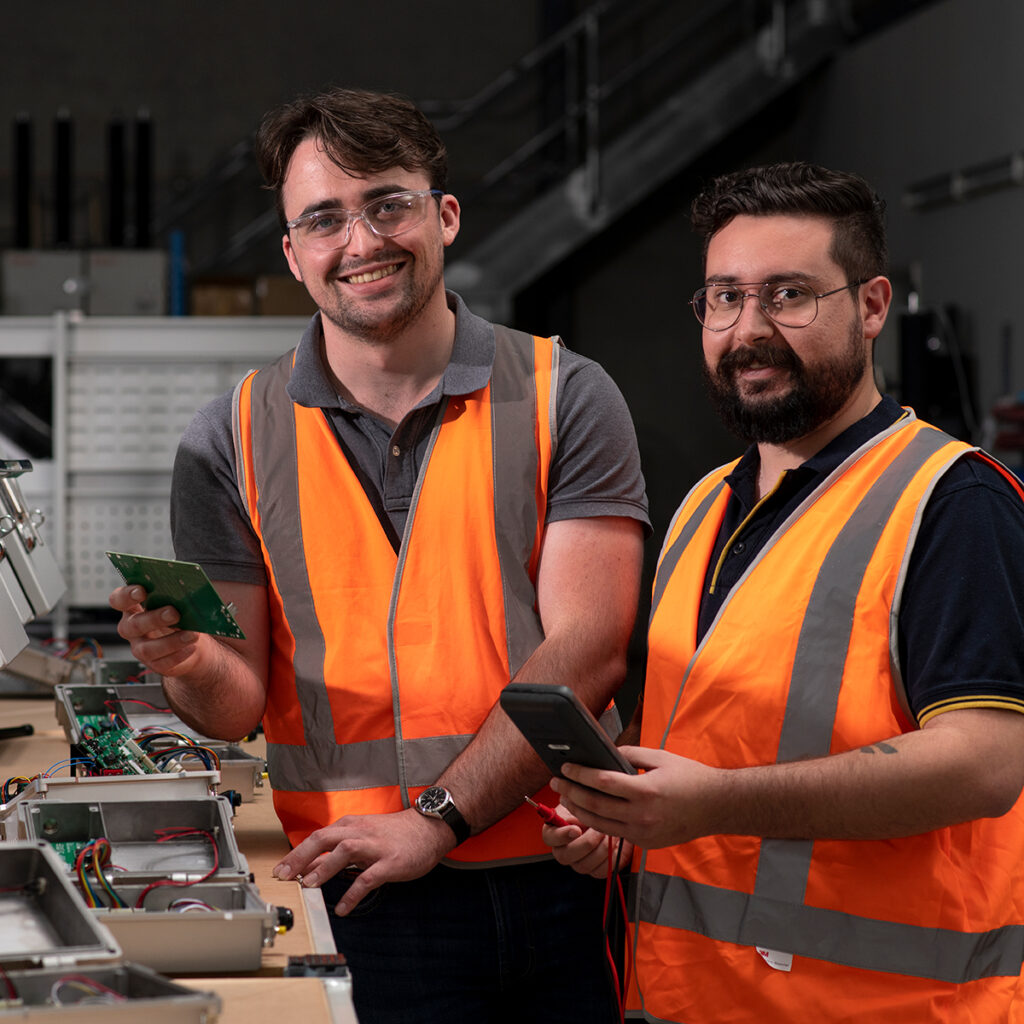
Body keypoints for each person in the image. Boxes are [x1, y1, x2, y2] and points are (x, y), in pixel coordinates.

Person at [109, 87, 649, 1022]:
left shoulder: (567, 395)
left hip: (556, 880)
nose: (359, 241)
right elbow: (235, 703)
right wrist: (190, 664)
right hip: (355, 892)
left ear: (443, 215)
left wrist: (436, 820)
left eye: (387, 203)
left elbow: (591, 646)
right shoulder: (229, 438)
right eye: (323, 219)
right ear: (292, 254)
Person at [544, 161, 1024, 1022]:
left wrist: (711, 806)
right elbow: (707, 736)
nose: (747, 329)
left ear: (872, 306)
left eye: (788, 295)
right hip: (689, 998)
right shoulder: (702, 504)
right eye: (723, 298)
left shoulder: (953, 502)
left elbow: (985, 764)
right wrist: (627, 819)